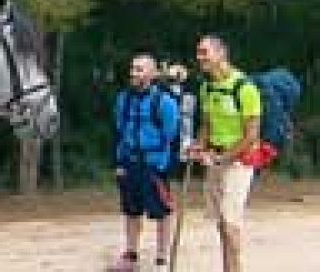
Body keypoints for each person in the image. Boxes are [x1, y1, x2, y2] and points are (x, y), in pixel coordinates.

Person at [189, 34, 261, 272]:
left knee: (231, 224)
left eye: (204, 52)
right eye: (198, 52)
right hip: (214, 160)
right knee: (221, 224)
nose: (200, 58)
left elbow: (251, 135)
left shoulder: (245, 88)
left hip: (240, 161)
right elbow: (207, 125)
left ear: (221, 53)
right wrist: (198, 145)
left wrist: (224, 158)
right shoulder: (206, 88)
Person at [111, 54, 180, 271]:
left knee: (162, 213)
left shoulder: (164, 102)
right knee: (131, 211)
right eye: (133, 68)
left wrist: (164, 167)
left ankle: (161, 258)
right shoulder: (124, 99)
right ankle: (131, 255)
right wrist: (119, 162)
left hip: (154, 166)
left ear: (152, 74)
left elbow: (172, 136)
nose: (134, 73)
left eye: (140, 69)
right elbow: (119, 131)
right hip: (129, 163)